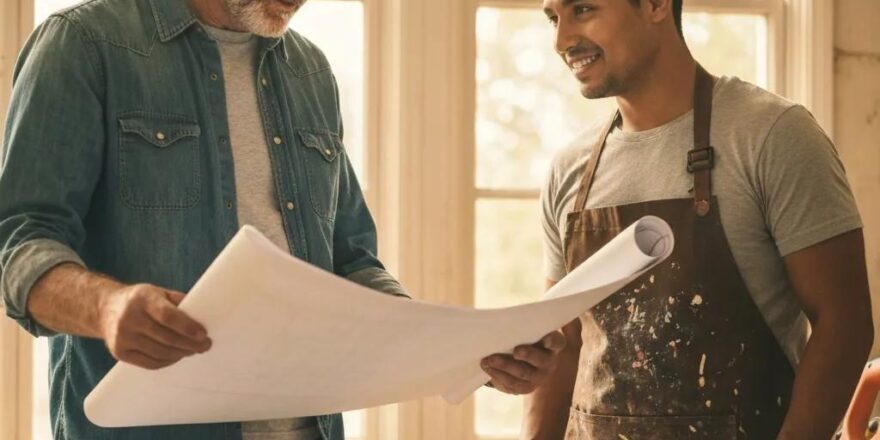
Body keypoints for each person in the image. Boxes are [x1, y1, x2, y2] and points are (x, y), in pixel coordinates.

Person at [0, 0, 565, 439]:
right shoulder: (83, 44)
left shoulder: (310, 72)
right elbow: (20, 243)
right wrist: (106, 306)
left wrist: (462, 353)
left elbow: (349, 260)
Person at [525, 0, 874, 439]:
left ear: (655, 5)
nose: (561, 40)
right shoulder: (569, 171)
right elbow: (563, 344)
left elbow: (845, 322)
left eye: (582, 9)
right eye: (553, 18)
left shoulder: (772, 136)